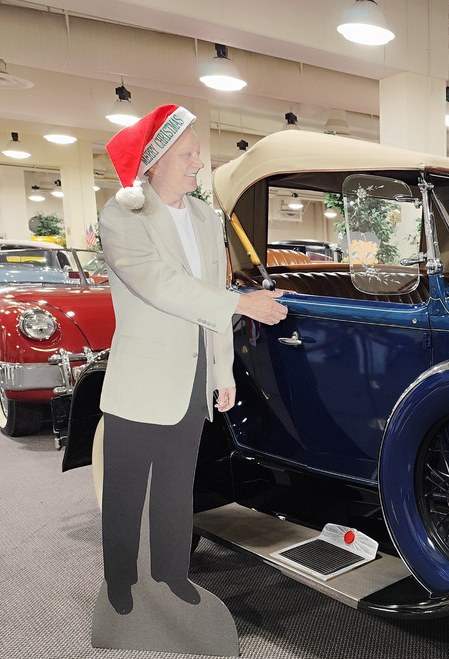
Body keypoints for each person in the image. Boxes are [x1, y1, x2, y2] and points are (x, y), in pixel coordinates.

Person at [99, 105, 287, 618]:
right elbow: (160, 284)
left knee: (177, 488)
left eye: (197, 153)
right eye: (186, 154)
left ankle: (171, 576)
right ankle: (120, 586)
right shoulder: (122, 214)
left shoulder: (206, 218)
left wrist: (222, 371)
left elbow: (211, 293)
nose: (197, 164)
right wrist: (240, 304)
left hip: (194, 377)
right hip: (141, 379)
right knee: (126, 489)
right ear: (155, 161)